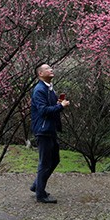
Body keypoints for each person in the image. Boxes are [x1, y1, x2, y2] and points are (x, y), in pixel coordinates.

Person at [30, 63, 70, 203]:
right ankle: (40, 195)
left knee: (54, 160)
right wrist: (60, 106)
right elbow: (43, 110)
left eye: (50, 68)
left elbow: (49, 107)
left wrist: (58, 103)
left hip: (49, 129)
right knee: (45, 162)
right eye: (47, 69)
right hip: (43, 130)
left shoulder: (49, 89)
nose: (51, 69)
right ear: (40, 74)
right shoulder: (39, 90)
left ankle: (37, 186)